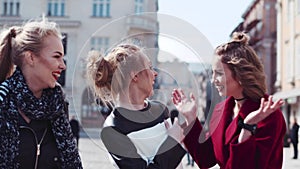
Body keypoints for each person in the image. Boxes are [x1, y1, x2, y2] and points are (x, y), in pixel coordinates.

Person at [172, 32, 286, 169]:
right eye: (212, 73)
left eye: (219, 73)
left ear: (240, 74)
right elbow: (206, 159)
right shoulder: (221, 109)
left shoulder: (268, 113)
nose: (213, 80)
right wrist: (191, 118)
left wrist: (247, 128)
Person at [86, 44, 186, 168]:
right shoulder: (113, 129)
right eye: (149, 67)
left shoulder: (161, 110)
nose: (155, 73)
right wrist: (173, 142)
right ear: (135, 75)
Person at [0, 17, 82, 168]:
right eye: (57, 56)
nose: (63, 65)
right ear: (31, 57)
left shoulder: (58, 104)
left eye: (63, 58)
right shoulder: (3, 100)